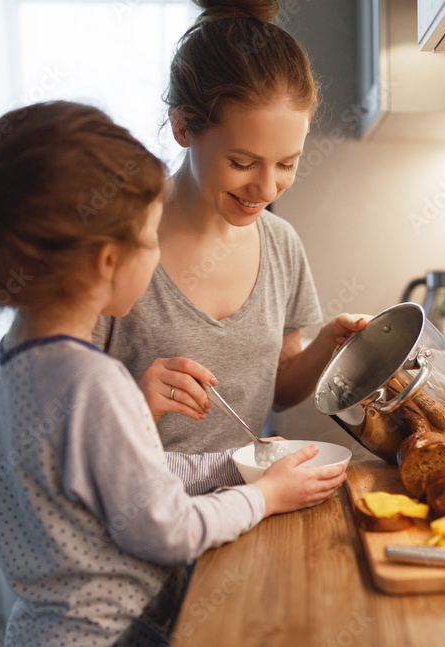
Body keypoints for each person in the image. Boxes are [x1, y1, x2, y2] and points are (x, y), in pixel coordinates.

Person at [0, 100, 347, 645]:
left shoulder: (18, 358)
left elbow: (133, 476)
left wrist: (239, 466)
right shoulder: (94, 382)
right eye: (149, 240)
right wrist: (266, 497)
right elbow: (168, 530)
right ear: (107, 261)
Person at [94, 0, 367, 494]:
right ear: (182, 128)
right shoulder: (114, 245)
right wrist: (137, 401)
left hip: (242, 511)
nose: (266, 189)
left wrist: (327, 343)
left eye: (287, 164)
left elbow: (278, 389)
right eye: (242, 162)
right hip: (133, 514)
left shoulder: (281, 245)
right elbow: (58, 420)